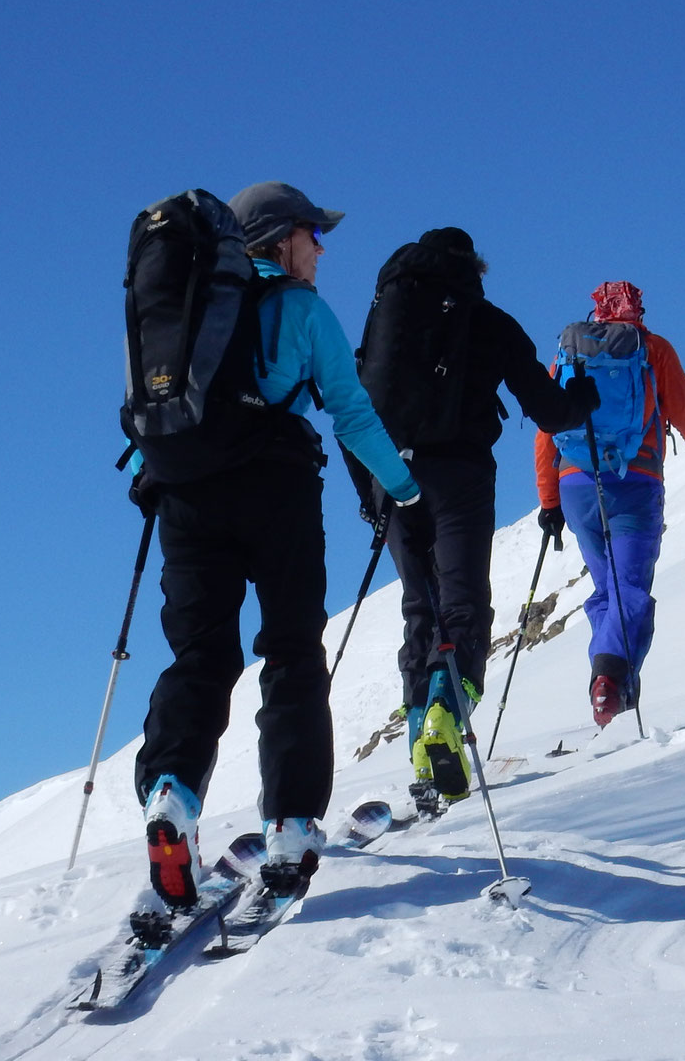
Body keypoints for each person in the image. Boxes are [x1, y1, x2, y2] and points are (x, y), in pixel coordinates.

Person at [134, 181, 421, 904]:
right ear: (277, 240)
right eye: (311, 234)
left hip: (187, 497)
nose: (321, 249)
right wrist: (404, 487)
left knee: (199, 657)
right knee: (291, 649)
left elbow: (162, 406)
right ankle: (291, 825)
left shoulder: (189, 311)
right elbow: (352, 414)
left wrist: (152, 475)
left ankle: (171, 794)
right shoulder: (302, 310)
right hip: (276, 491)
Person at [356, 227, 597, 810]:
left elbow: (358, 397)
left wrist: (372, 494)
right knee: (463, 603)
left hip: (389, 475)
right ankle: (446, 708)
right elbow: (547, 409)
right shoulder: (489, 322)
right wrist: (582, 397)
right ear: (475, 269)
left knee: (420, 605)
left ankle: (421, 743)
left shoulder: (388, 316)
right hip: (459, 477)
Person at [534, 280, 685, 727]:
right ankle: (609, 681)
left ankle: (613, 687)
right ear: (636, 309)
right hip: (634, 482)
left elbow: (546, 430)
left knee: (609, 590)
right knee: (630, 588)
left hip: (576, 486)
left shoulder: (571, 353)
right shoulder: (652, 349)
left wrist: (549, 502)